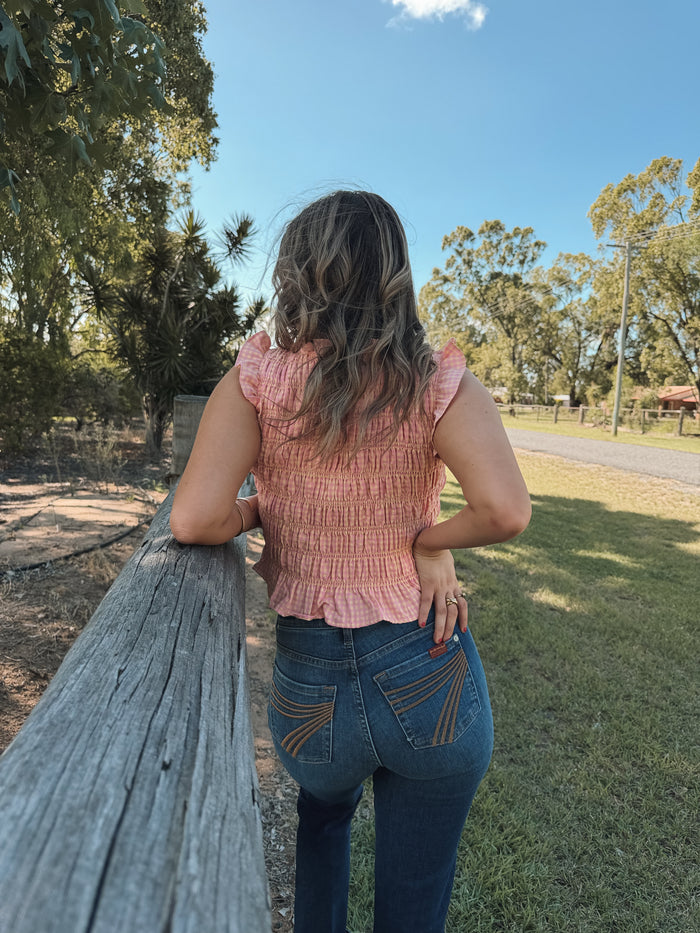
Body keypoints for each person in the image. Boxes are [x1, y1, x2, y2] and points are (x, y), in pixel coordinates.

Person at [170, 190, 531, 933]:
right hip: (426, 665)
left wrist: (258, 508)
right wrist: (426, 542)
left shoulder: (259, 380)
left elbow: (196, 517)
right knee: (416, 893)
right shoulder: (434, 381)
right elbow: (505, 509)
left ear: (297, 273)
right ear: (394, 276)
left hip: (311, 685)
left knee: (322, 821)